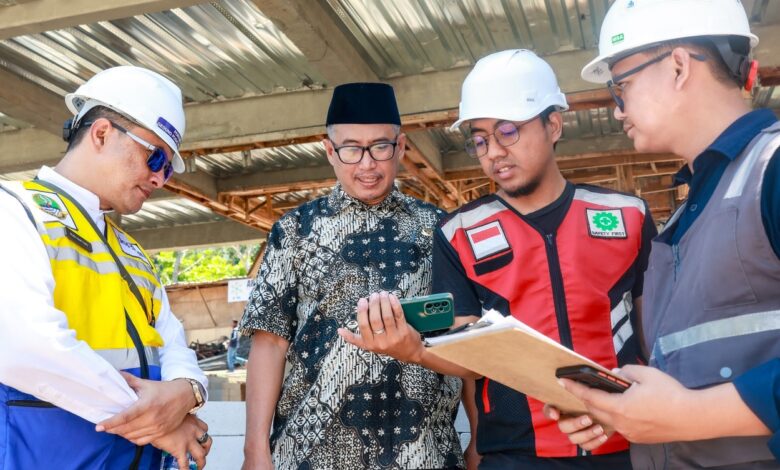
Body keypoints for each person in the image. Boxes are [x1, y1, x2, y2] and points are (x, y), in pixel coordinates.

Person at [340, 49, 656, 469]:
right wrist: (412, 349)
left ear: (554, 124)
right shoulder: (459, 233)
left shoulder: (627, 215)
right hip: (516, 456)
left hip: (630, 445)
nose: (493, 152)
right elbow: (469, 360)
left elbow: (658, 338)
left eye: (508, 131)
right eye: (480, 139)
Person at [546, 0, 780, 467]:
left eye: (622, 87)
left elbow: (695, 408)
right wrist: (624, 411)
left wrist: (692, 415)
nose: (617, 110)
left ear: (677, 67)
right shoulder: (688, 214)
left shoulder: (770, 170)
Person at [240, 82, 464, 469]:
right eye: (350, 148)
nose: (367, 164)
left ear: (402, 146)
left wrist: (479, 440)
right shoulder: (294, 231)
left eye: (380, 146)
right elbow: (270, 343)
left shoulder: (441, 229)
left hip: (423, 452)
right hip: (312, 454)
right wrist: (254, 449)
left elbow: (468, 337)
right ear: (329, 150)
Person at [0, 66, 212, 470]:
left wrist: (188, 390)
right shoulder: (15, 210)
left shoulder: (130, 250)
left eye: (166, 168)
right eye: (154, 158)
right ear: (101, 134)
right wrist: (156, 423)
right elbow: (24, 346)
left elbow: (173, 342)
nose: (159, 178)